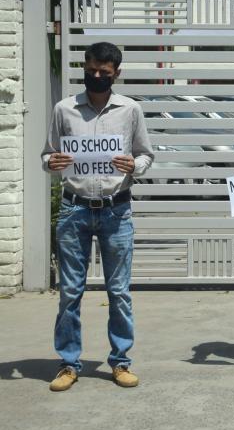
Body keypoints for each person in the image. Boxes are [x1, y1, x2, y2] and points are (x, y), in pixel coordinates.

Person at [41, 42, 155, 391]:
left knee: (119, 291)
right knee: (69, 292)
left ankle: (120, 362)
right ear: (84, 67)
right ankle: (69, 364)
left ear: (116, 73)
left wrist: (133, 166)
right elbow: (47, 155)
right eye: (91, 70)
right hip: (75, 208)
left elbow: (146, 155)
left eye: (104, 73)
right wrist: (52, 163)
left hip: (115, 209)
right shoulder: (65, 109)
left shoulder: (130, 110)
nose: (96, 77)